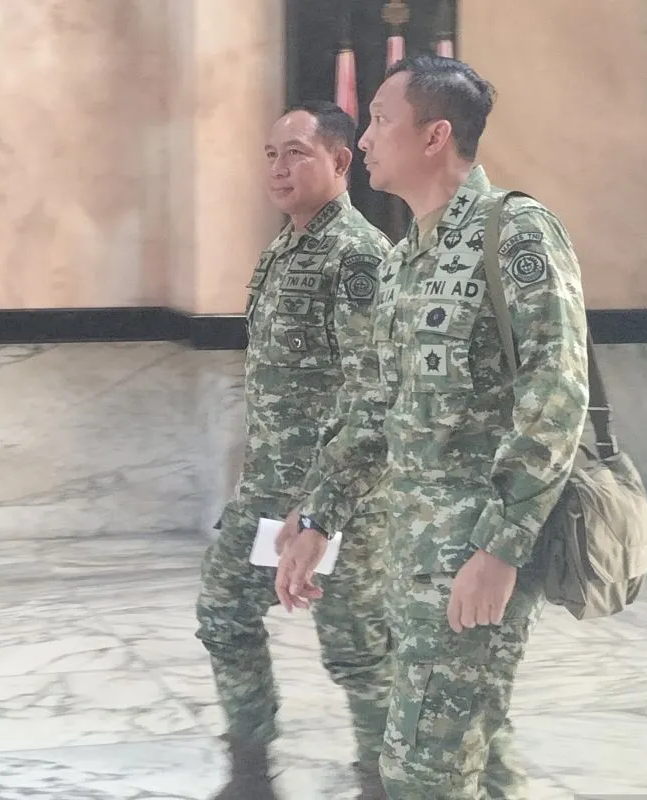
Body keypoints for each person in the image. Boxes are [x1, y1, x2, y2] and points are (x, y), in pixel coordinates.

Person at [274, 55, 590, 800]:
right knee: (476, 752)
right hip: (410, 553)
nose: (365, 138)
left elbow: (557, 394)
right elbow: (374, 407)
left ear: (434, 135)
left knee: (421, 770)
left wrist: (500, 548)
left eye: (381, 120)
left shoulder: (514, 233)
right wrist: (320, 514)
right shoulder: (402, 260)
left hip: (475, 554)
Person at [195, 100, 395, 800]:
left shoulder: (358, 256)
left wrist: (324, 507)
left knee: (359, 653)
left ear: (340, 161)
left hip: (335, 499)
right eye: (271, 154)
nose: (279, 168)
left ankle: (383, 781)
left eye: (297, 153)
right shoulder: (283, 248)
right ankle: (250, 773)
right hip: (266, 491)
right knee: (223, 615)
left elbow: (375, 393)